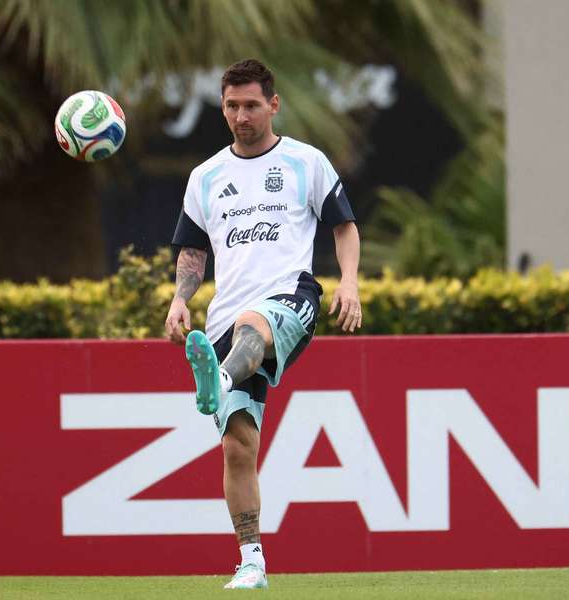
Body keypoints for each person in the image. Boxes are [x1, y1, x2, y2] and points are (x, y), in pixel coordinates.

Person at [164, 58, 362, 590]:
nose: (241, 116)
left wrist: (349, 282)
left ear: (273, 105)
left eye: (252, 105)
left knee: (256, 323)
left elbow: (344, 225)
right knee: (238, 445)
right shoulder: (204, 177)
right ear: (222, 107)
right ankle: (251, 560)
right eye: (231, 106)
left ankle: (220, 379)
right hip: (223, 320)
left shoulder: (306, 162)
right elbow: (191, 251)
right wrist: (181, 300)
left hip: (290, 300)